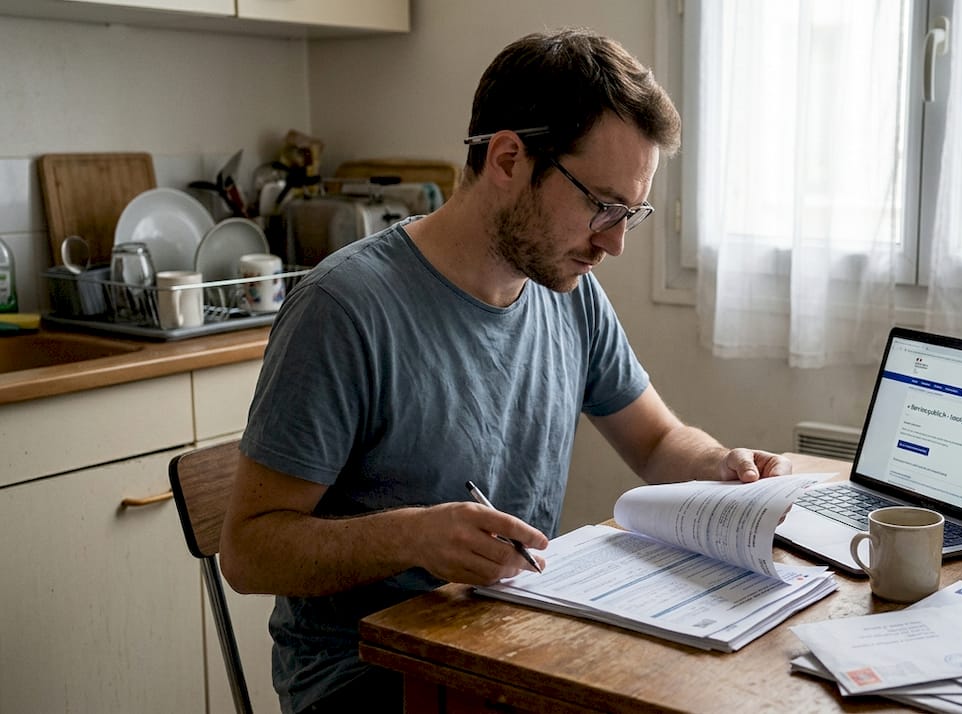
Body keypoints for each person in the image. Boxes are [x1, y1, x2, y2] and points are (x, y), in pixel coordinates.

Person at [219, 27, 792, 714]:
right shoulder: (344, 309)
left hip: (506, 641)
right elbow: (248, 552)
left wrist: (720, 465)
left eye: (630, 213)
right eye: (601, 206)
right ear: (508, 158)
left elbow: (657, 440)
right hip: (364, 675)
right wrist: (413, 537)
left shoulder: (568, 293)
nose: (614, 242)